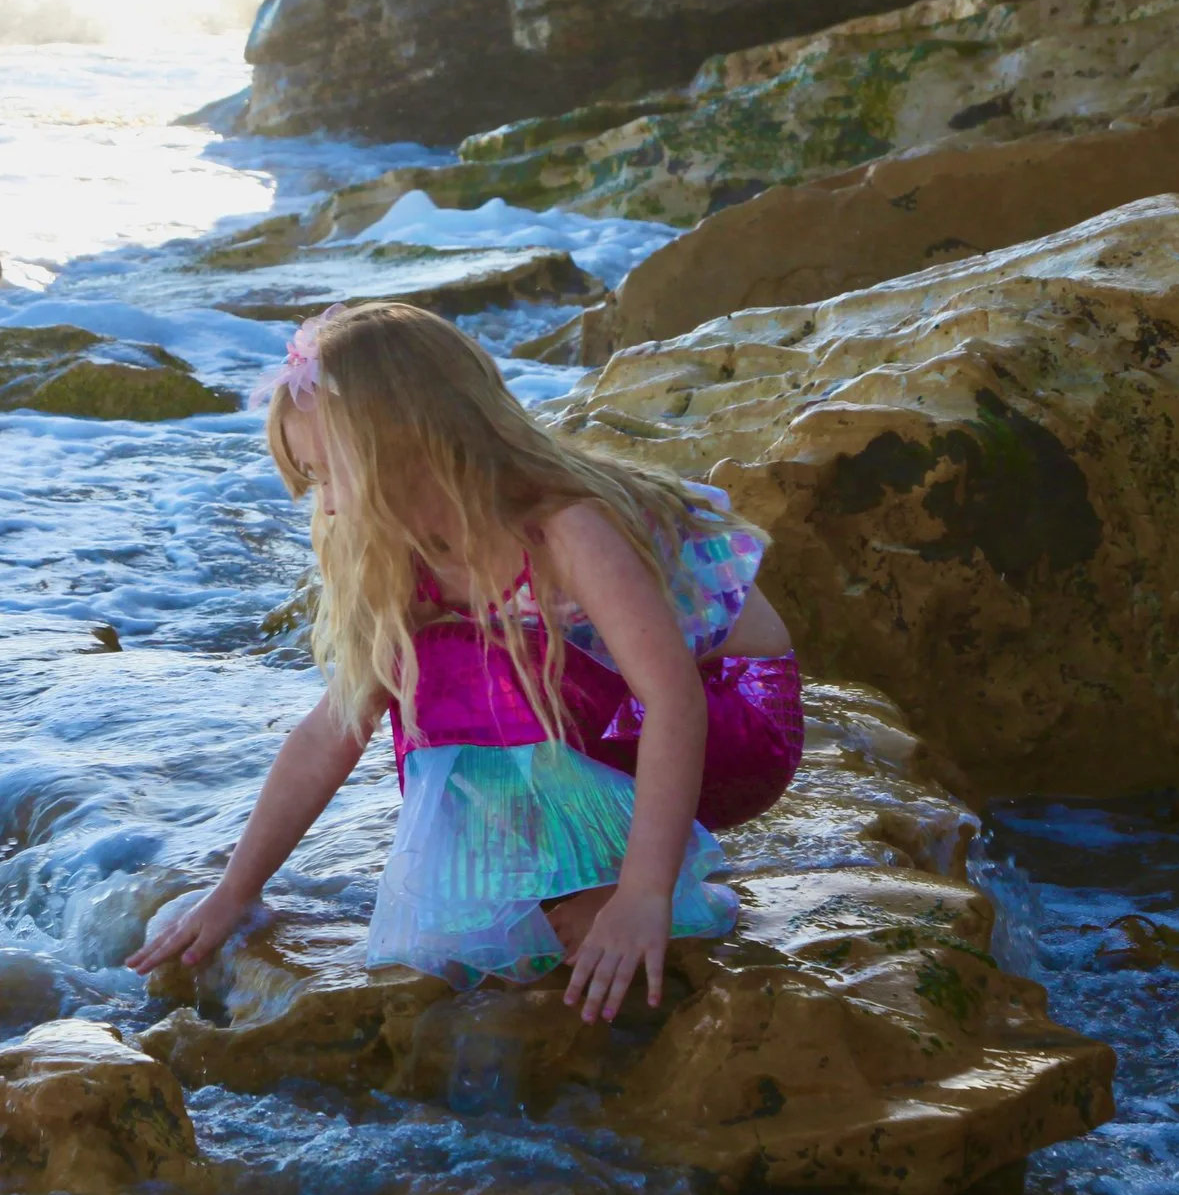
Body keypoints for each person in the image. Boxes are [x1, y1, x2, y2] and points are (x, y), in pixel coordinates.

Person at [125, 301, 801, 1023]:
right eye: (313, 480)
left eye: (332, 475)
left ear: (415, 449)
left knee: (458, 661)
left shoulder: (563, 527)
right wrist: (235, 890)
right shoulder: (402, 554)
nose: (328, 506)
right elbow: (334, 728)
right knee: (404, 667)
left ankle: (629, 876)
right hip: (616, 721)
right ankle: (565, 877)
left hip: (731, 722)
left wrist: (644, 894)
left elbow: (672, 700)